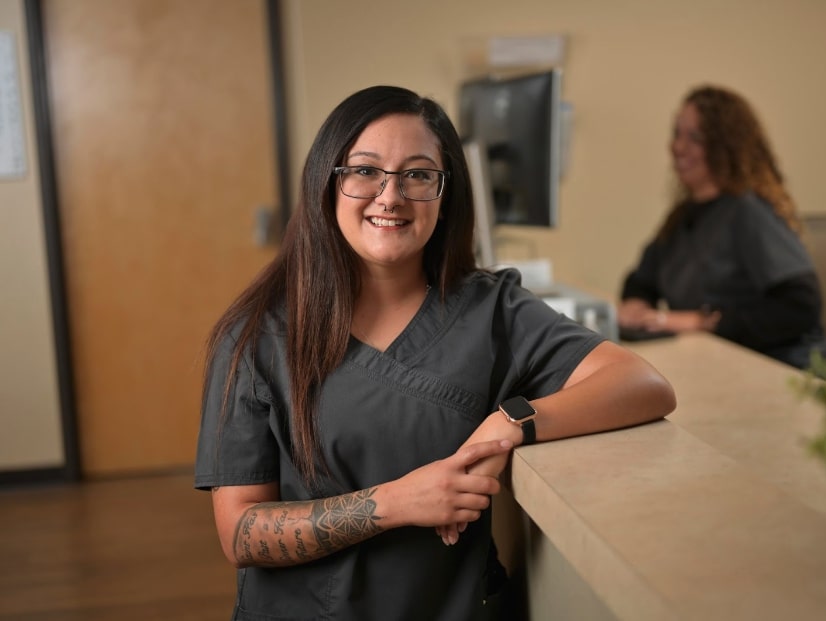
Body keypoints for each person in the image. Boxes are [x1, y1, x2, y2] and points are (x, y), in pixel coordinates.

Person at [195, 85, 676, 621]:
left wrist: (512, 423)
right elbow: (239, 532)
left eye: (419, 174)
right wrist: (396, 504)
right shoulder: (257, 334)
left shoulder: (491, 311)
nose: (391, 195)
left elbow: (642, 384)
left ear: (446, 195)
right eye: (365, 171)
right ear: (326, 184)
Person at [617, 85, 826, 369]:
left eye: (695, 138)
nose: (678, 146)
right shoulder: (683, 216)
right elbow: (643, 279)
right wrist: (636, 303)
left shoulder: (747, 210)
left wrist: (704, 322)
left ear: (725, 146)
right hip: (716, 362)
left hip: (782, 368)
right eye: (677, 134)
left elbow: (800, 306)